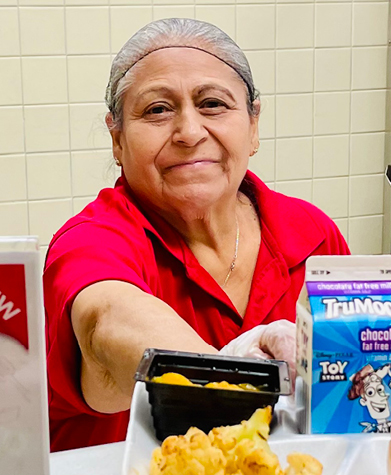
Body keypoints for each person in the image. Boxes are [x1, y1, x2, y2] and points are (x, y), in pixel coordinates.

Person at [43, 18, 350, 451]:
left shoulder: (312, 234)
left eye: (212, 104)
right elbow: (107, 322)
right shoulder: (91, 239)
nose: (189, 132)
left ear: (253, 124)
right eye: (157, 110)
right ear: (117, 139)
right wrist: (228, 375)